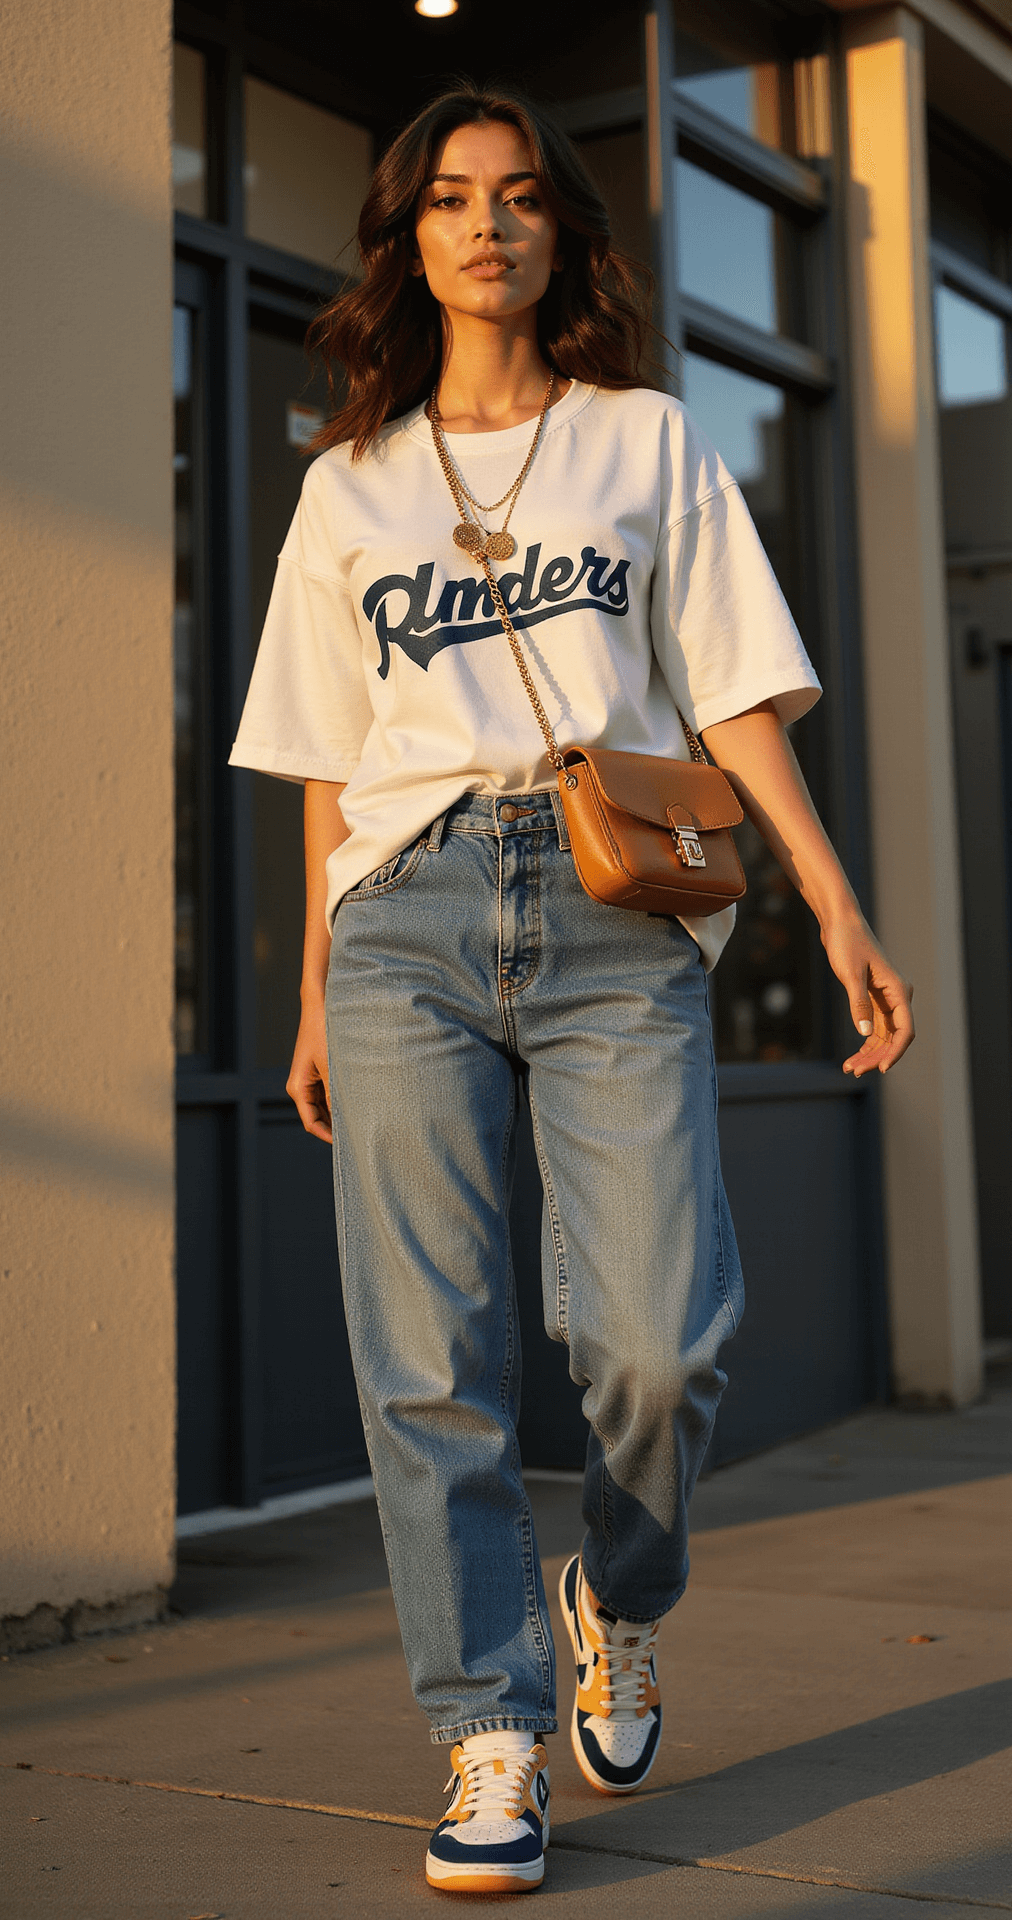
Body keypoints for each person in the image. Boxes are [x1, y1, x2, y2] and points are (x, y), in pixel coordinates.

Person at [229, 83, 914, 1896]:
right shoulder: (344, 484)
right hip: (403, 914)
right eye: (452, 198)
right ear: (410, 236)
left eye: (522, 197)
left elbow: (739, 690)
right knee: (429, 1358)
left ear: (560, 236)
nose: (487, 225)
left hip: (617, 905)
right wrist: (312, 986)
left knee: (658, 1337)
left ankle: (616, 1590)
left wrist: (832, 903)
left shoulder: (645, 444)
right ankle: (487, 1733)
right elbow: (326, 762)